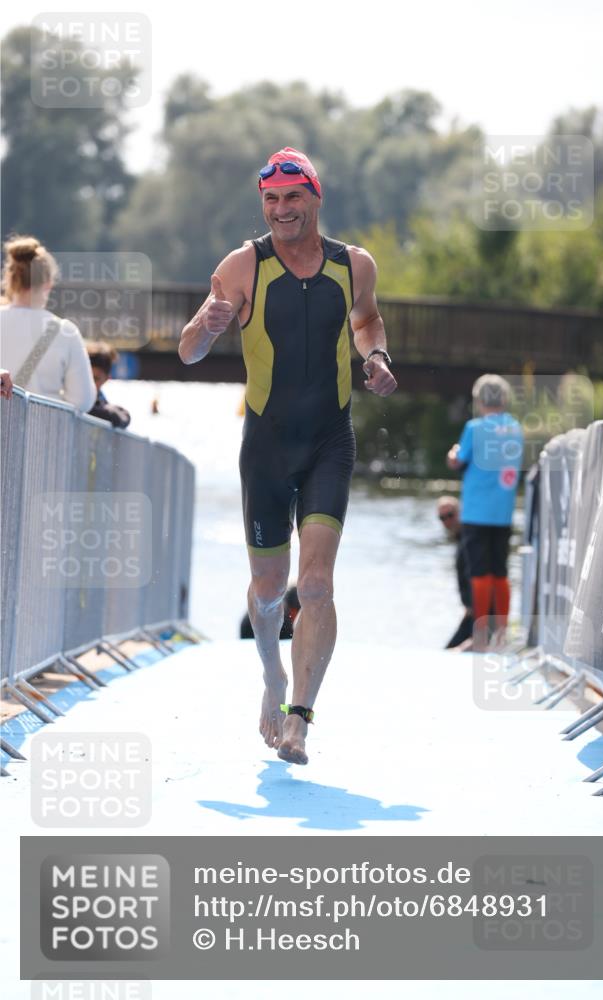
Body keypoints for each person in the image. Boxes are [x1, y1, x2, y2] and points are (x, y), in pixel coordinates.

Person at [179, 147, 397, 764]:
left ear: (315, 198)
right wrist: (208, 326)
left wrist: (376, 357)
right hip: (267, 446)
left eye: (293, 198)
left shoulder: (353, 265)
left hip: (330, 439)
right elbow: (189, 350)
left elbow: (368, 320)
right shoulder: (243, 265)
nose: (282, 210)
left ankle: (301, 714)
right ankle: (273, 674)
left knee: (318, 586)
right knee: (269, 586)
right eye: (271, 200)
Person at [447, 374, 523, 648]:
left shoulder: (474, 428)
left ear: (479, 401)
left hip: (477, 513)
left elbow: (458, 461)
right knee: (500, 571)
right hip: (503, 513)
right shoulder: (515, 428)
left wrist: (453, 452)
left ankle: (479, 635)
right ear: (504, 399)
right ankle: (501, 634)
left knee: (478, 572)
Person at [0, 236, 96, 411]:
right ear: (48, 285)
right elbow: (82, 400)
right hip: (42, 435)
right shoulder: (65, 331)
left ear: (10, 279)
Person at [436, 496, 474, 649]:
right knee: (447, 652)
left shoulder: (470, 540)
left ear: (460, 512)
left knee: (450, 654)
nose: (446, 521)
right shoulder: (460, 539)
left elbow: (478, 575)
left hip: (480, 613)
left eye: (450, 515)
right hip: (471, 612)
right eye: (442, 518)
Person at [86, 342, 131, 428]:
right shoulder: (68, 395)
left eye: (96, 378)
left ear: (106, 379)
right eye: (87, 376)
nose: (90, 382)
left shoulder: (102, 402)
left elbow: (122, 417)